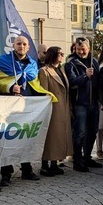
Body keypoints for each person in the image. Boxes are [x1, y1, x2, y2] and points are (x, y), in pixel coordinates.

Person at [0, 36, 51, 183]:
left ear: (28, 47)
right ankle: (6, 172)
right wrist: (10, 86)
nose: (21, 46)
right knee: (8, 139)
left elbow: (35, 82)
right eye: (19, 44)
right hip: (9, 106)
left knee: (26, 137)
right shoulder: (2, 61)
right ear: (13, 45)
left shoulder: (32, 63)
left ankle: (27, 169)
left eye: (24, 44)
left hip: (27, 107)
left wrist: (44, 97)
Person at [64, 37, 101, 172]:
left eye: (83, 49)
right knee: (80, 133)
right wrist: (85, 76)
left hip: (94, 102)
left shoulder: (94, 61)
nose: (80, 51)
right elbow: (72, 82)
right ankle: (77, 160)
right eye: (78, 49)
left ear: (88, 48)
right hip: (80, 103)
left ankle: (87, 157)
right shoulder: (71, 63)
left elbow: (99, 81)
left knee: (92, 132)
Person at [38, 46, 73, 176]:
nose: (62, 56)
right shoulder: (44, 71)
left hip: (63, 107)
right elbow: (44, 92)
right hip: (52, 108)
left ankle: (54, 163)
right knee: (50, 137)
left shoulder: (61, 69)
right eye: (60, 53)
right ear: (53, 55)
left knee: (58, 137)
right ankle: (44, 165)